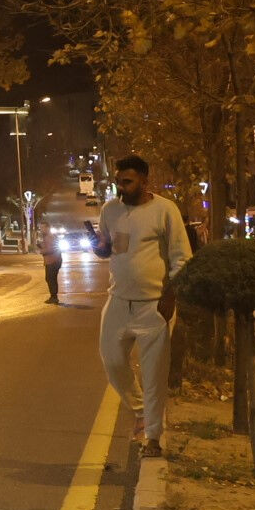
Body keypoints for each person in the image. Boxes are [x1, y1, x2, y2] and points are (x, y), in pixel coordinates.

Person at [92, 153, 193, 458]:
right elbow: (109, 249)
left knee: (154, 374)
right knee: (112, 361)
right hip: (118, 300)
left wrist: (170, 295)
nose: (121, 188)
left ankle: (153, 438)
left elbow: (181, 257)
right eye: (118, 182)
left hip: (154, 305)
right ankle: (140, 410)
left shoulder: (165, 210)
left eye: (127, 181)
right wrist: (100, 247)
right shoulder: (110, 210)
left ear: (144, 181)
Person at [43, 231, 63, 305]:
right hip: (54, 261)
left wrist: (41, 250)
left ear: (46, 228)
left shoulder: (49, 237)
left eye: (42, 228)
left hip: (51, 261)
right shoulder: (51, 236)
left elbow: (50, 249)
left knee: (50, 279)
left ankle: (54, 297)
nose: (41, 229)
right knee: (52, 279)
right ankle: (54, 296)